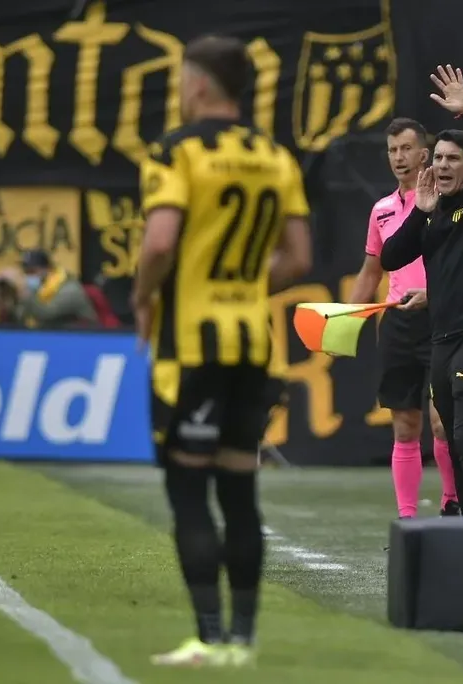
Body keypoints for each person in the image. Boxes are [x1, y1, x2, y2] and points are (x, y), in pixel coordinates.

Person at [131, 34, 312, 668]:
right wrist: (244, 288)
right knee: (239, 490)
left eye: (183, 79)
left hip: (193, 348)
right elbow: (298, 258)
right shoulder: (275, 156)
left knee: (188, 489)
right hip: (254, 345)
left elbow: (159, 243)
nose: (181, 90)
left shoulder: (175, 152)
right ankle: (243, 641)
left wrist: (143, 297)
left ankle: (207, 638)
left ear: (201, 83)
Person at [380, 65, 463, 518]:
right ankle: (459, 526)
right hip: (442, 338)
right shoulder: (433, 212)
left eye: (453, 159)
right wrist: (419, 211)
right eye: (437, 158)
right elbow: (391, 257)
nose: (441, 165)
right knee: (451, 440)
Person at [347, 117, 459, 519]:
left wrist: (435, 296)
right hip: (398, 322)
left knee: (443, 422)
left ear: (424, 154)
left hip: (442, 319)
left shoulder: (448, 202)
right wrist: (345, 319)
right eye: (393, 150)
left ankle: (451, 503)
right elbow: (371, 273)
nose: (399, 157)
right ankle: (407, 518)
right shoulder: (381, 210)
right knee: (405, 426)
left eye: (406, 149)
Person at [0, 249, 97, 328]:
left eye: (32, 271)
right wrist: (5, 300)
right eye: (25, 272)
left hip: (81, 339)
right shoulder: (36, 290)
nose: (27, 276)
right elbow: (20, 318)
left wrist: (23, 290)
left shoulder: (70, 289)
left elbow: (45, 314)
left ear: (48, 269)